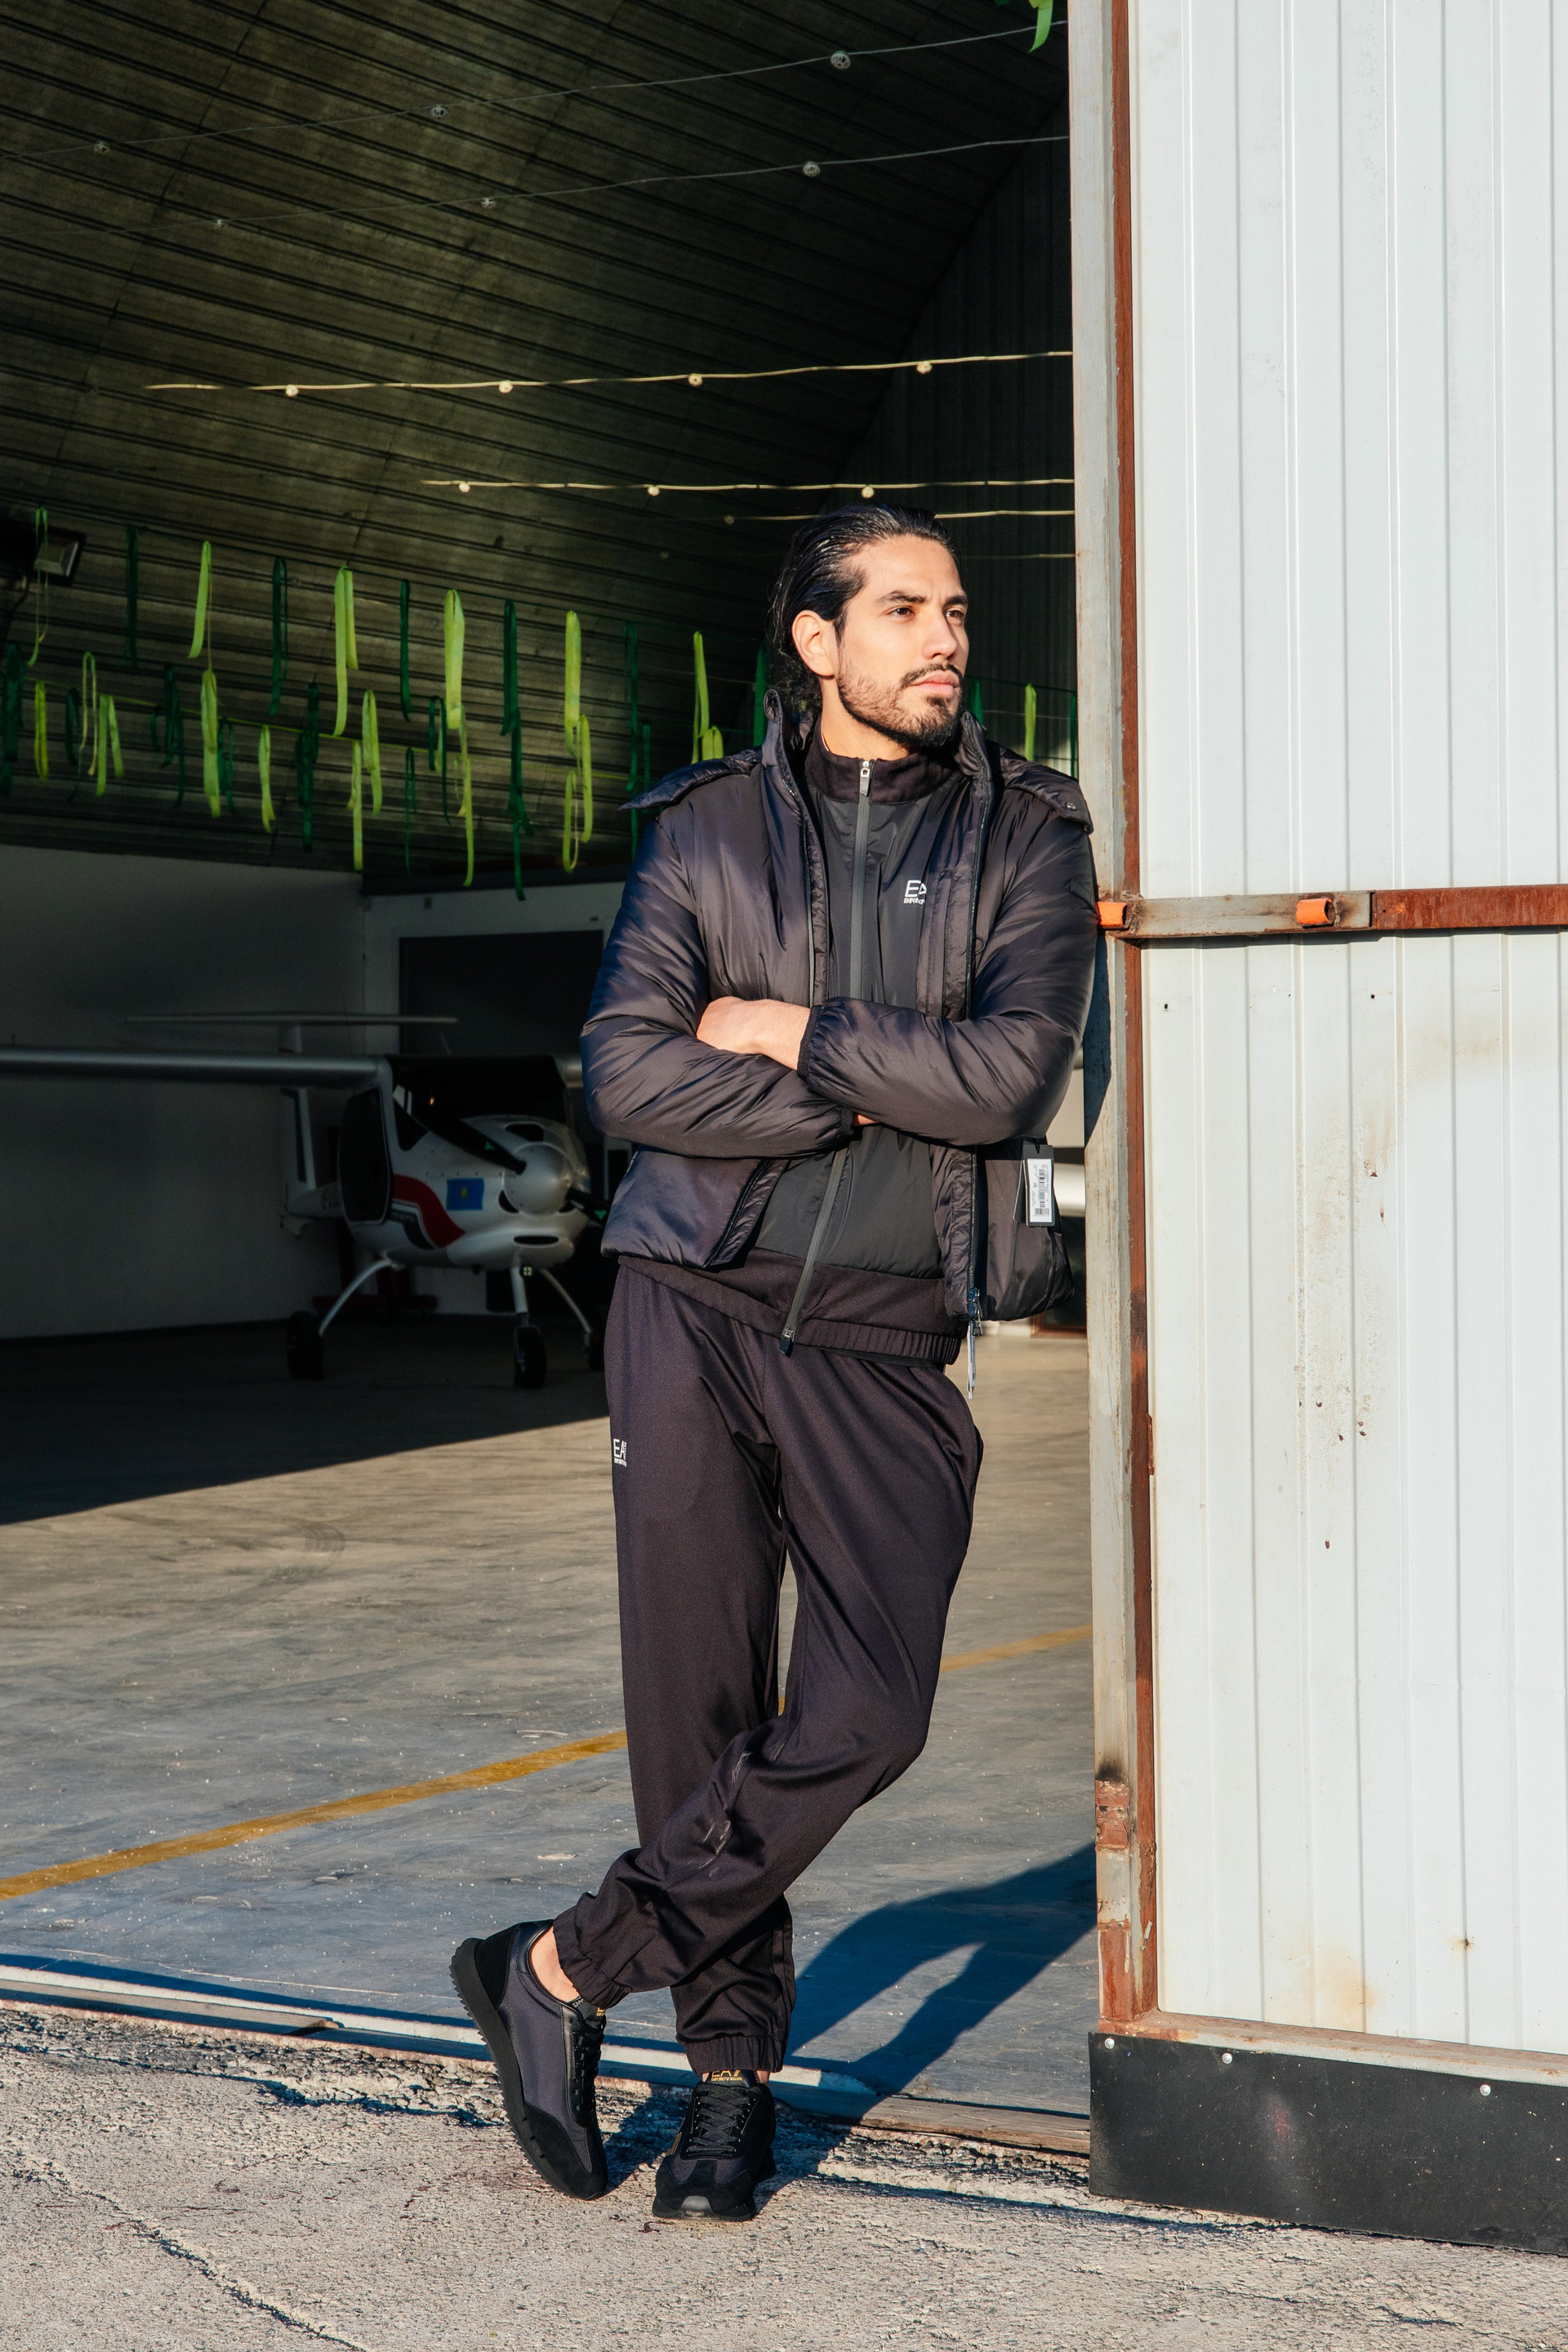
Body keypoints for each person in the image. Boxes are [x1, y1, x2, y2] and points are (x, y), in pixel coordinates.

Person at [452, 504, 1098, 2221]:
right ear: (819, 641)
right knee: (702, 1710)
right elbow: (629, 1075)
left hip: (890, 1335)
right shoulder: (706, 828)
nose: (946, 639)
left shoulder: (1029, 835)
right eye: (906, 610)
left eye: (955, 612)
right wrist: (873, 1089)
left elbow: (1011, 1076)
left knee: (870, 1712)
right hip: (689, 1305)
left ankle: (560, 1968)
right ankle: (727, 2086)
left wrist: (793, 1032)